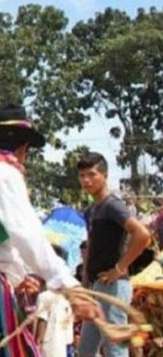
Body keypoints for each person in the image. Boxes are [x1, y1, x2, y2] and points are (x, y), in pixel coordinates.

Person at [0, 105, 101, 357]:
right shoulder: (3, 173)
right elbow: (26, 233)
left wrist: (16, 275)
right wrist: (69, 285)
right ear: (22, 147)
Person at [77, 152, 152, 357]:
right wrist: (85, 281)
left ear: (105, 175)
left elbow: (143, 235)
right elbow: (91, 244)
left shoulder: (113, 205)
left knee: (115, 347)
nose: (86, 180)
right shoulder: (91, 210)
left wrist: (118, 269)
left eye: (91, 174)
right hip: (95, 286)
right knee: (85, 350)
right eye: (82, 175)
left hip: (114, 285)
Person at [34, 245, 74, 357]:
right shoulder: (67, 298)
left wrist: (38, 341)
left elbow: (42, 322)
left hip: (48, 347)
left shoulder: (44, 297)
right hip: (63, 347)